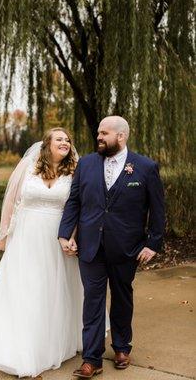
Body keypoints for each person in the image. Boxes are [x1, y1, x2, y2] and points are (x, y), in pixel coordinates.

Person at [0, 128, 85, 378]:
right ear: (47, 145)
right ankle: (18, 344)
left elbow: (76, 208)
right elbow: (11, 201)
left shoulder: (74, 172)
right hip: (26, 237)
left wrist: (72, 237)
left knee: (53, 288)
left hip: (57, 239)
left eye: (68, 140)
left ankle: (51, 340)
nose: (65, 142)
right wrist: (5, 235)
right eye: (59, 139)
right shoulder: (29, 168)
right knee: (25, 287)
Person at [58, 116, 165, 379]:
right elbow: (74, 201)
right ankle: (92, 359)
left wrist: (153, 244)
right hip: (90, 246)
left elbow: (158, 210)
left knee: (121, 297)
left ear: (121, 136)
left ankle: (121, 347)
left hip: (127, 247)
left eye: (104, 133)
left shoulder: (145, 167)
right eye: (98, 133)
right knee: (92, 301)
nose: (99, 137)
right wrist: (64, 234)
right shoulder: (86, 164)